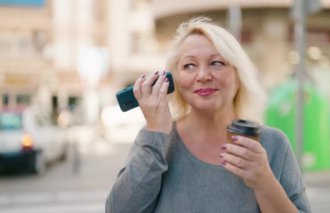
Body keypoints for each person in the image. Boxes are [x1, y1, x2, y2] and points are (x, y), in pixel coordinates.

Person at [106, 17, 311, 213]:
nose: (203, 75)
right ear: (174, 81)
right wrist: (156, 131)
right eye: (189, 66)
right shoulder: (155, 140)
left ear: (239, 76)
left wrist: (264, 180)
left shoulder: (272, 144)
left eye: (216, 63)